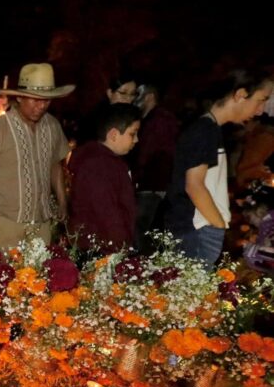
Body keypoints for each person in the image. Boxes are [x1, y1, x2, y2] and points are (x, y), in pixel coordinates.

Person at [166, 69, 273, 268]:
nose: (261, 110)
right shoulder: (204, 130)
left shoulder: (210, 129)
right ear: (240, 95)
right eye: (261, 100)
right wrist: (218, 225)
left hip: (199, 228)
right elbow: (194, 185)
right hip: (197, 229)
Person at [0, 63, 74, 252]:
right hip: (8, 224)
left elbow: (55, 165)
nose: (42, 105)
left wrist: (62, 203)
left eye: (46, 100)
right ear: (19, 97)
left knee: (41, 279)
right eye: (35, 100)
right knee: (8, 279)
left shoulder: (52, 125)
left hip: (42, 223)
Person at [68, 103, 141, 252]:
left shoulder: (109, 162)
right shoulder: (98, 166)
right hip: (102, 248)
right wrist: (121, 247)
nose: (136, 140)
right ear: (113, 134)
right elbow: (106, 211)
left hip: (104, 245)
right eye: (132, 134)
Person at [130, 83, 180, 251]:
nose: (133, 99)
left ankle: (142, 265)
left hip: (152, 182)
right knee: (143, 227)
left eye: (138, 95)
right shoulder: (153, 119)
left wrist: (136, 176)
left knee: (141, 227)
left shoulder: (159, 120)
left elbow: (147, 152)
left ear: (150, 96)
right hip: (152, 181)